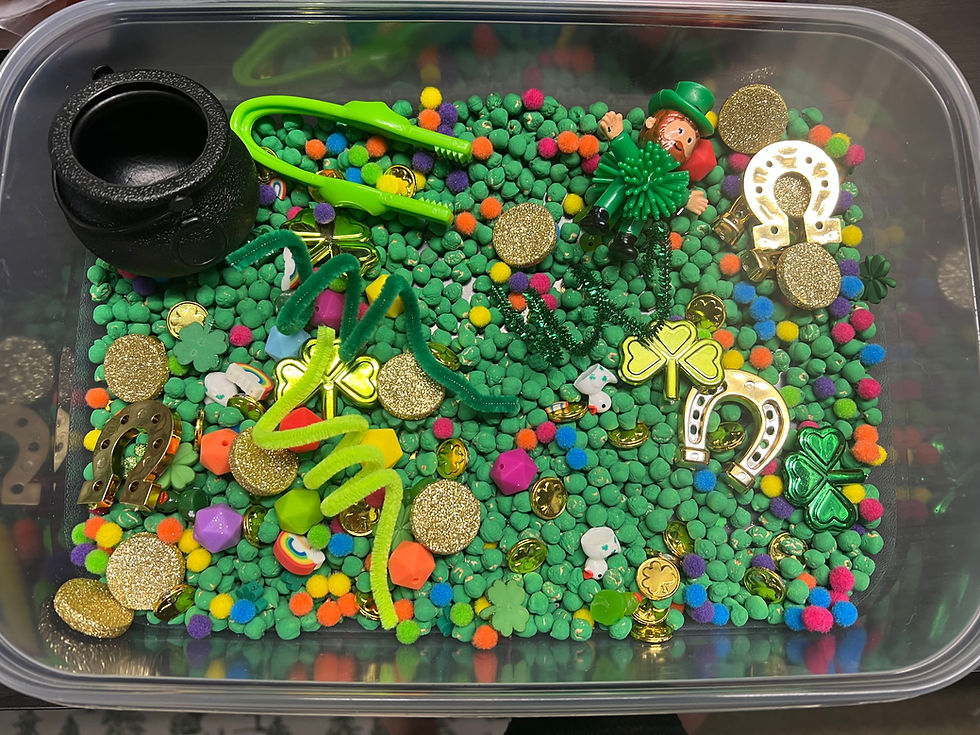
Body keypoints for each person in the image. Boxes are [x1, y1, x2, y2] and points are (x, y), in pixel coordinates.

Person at [580, 81, 716, 261]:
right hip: (625, 178)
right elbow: (630, 157)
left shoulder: (668, 176)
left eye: (689, 140)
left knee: (643, 207)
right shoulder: (642, 158)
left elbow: (669, 192)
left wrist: (686, 199)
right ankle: (599, 214)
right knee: (626, 176)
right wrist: (618, 136)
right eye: (679, 131)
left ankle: (625, 240)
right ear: (651, 122)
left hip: (645, 200)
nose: (681, 143)